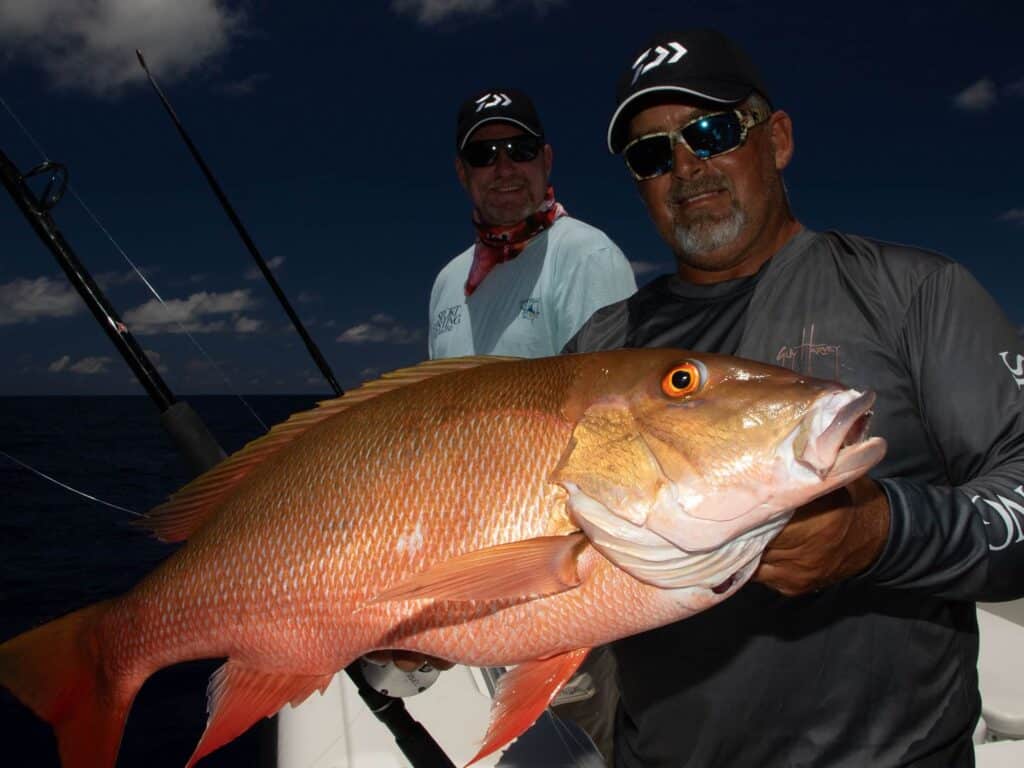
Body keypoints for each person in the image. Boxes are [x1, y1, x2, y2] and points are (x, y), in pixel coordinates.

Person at [564, 28, 1024, 767]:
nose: (687, 167)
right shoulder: (599, 349)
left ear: (775, 140)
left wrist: (885, 531)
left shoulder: (916, 296)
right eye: (652, 154)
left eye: (712, 131)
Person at [428, 87, 636, 359]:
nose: (504, 169)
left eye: (521, 150)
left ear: (546, 161)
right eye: (483, 155)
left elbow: (610, 393)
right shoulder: (446, 281)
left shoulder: (587, 255)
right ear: (462, 174)